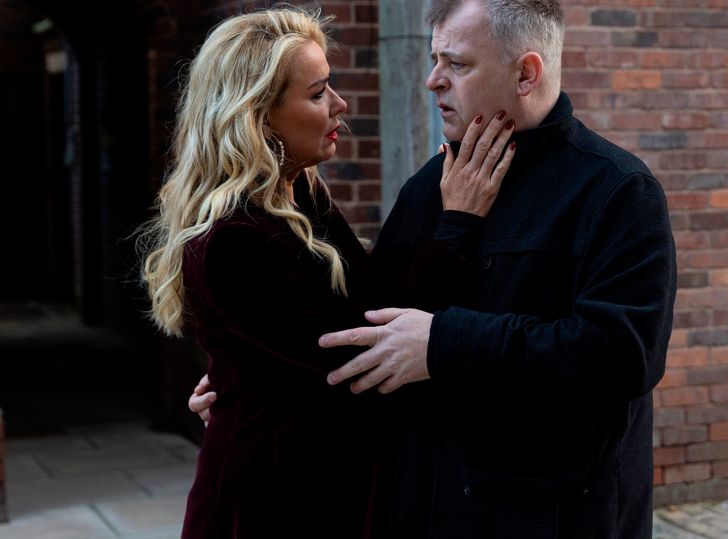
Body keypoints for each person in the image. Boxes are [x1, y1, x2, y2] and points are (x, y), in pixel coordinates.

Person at [192, 0, 676, 537]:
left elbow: (624, 355)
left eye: (457, 64)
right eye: (433, 59)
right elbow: (369, 324)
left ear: (526, 74)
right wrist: (251, 375)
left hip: (551, 519)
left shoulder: (615, 190)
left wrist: (444, 343)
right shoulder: (430, 186)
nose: (432, 81)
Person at [141, 6, 516, 539]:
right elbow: (371, 351)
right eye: (317, 93)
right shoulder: (234, 239)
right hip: (270, 505)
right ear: (258, 116)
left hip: (321, 487)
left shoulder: (300, 192)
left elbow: (368, 301)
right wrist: (457, 222)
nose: (340, 104)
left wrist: (243, 375)